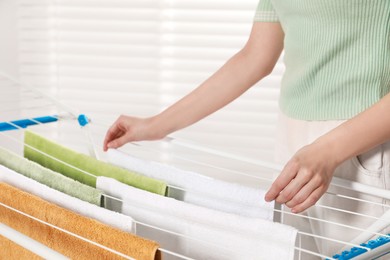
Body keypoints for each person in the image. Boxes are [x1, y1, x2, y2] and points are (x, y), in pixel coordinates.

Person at [104, 0, 390, 258]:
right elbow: (255, 56)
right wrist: (155, 125)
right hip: (293, 143)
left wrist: (328, 150)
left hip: (361, 146)